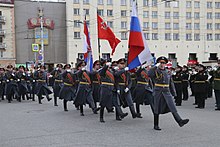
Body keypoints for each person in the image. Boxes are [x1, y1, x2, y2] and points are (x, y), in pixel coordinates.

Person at [148, 56, 189, 131]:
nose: (162, 64)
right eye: (160, 62)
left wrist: (174, 93)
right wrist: (154, 67)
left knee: (172, 106)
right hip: (158, 91)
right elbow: (149, 74)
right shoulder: (155, 71)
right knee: (156, 108)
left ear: (165, 64)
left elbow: (171, 83)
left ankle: (179, 121)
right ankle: (156, 124)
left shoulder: (168, 72)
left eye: (163, 63)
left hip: (166, 91)